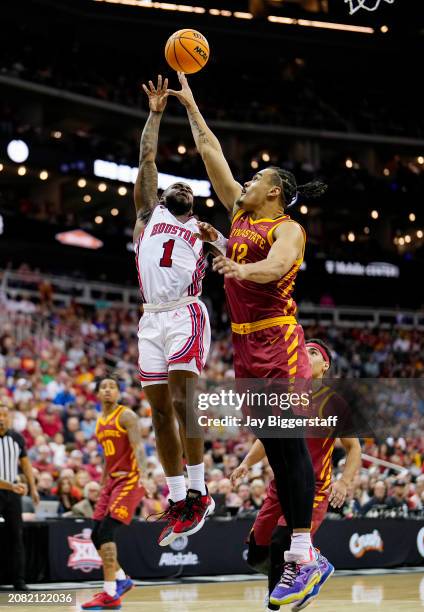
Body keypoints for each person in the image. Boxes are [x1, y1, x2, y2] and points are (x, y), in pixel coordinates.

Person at [168, 71, 327, 605]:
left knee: (289, 445)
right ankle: (300, 556)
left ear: (274, 192)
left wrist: (239, 269)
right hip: (243, 344)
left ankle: (305, 555)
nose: (246, 182)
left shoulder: (288, 228)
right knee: (280, 456)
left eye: (256, 177)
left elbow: (278, 266)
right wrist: (190, 104)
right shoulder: (239, 212)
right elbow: (210, 149)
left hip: (279, 341)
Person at [132, 75, 213, 548]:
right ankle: (180, 496)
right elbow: (146, 158)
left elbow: (234, 256)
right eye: (172, 184)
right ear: (163, 196)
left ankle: (201, 490)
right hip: (151, 318)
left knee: (187, 405)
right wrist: (157, 112)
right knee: (161, 413)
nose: (177, 186)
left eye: (187, 185)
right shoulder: (148, 215)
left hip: (186, 313)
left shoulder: (201, 230)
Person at [231, 340, 362, 611]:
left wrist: (345, 481)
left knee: (281, 541)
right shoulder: (287, 397)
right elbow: (268, 438)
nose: (305, 354)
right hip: (280, 486)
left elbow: (353, 448)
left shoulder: (335, 402)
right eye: (304, 350)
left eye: (313, 352)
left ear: (325, 365)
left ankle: (275, 603)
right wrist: (247, 462)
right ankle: (312, 566)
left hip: (313, 488)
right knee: (257, 552)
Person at [81, 377, 149, 611]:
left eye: (113, 387)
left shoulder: (127, 415)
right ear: (98, 394)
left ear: (118, 393)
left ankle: (110, 593)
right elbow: (107, 456)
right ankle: (122, 578)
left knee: (107, 531)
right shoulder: (100, 422)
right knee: (95, 535)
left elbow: (138, 446)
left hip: (129, 478)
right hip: (110, 481)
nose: (108, 390)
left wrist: (145, 475)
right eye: (104, 387)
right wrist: (102, 482)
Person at [0, 403, 40, 591]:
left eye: (4, 415)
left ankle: (19, 580)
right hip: (11, 487)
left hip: (13, 494)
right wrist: (13, 486)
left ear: (10, 418)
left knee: (16, 536)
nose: (1, 419)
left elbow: (26, 465)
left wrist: (33, 489)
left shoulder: (17, 438)